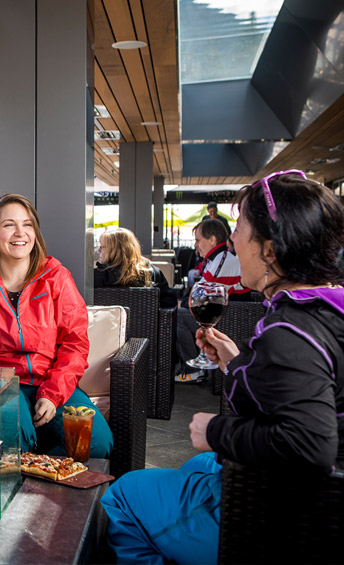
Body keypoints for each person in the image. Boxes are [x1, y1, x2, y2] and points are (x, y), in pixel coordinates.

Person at [101, 170, 344, 564]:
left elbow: (311, 446)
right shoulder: (328, 306)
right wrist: (238, 362)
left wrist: (216, 429)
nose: (232, 240)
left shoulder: (292, 332)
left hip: (275, 513)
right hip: (304, 503)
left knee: (123, 494)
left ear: (270, 250)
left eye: (241, 228)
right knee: (197, 463)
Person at [0, 193, 113, 458]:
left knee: (96, 444)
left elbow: (75, 344)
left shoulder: (56, 277)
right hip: (1, 383)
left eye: (27, 224)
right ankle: (25, 490)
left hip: (53, 381)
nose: (20, 233)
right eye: (8, 224)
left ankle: (46, 481)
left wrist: (52, 393)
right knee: (15, 443)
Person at [175, 218, 249, 382]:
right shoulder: (218, 259)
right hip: (226, 317)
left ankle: (194, 370)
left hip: (226, 321)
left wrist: (180, 303)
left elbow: (200, 297)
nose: (195, 245)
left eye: (198, 240)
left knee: (177, 315)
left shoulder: (224, 261)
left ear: (213, 240)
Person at [94, 228, 177, 308]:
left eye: (102, 247)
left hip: (108, 322)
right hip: (146, 321)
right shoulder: (151, 272)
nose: (98, 251)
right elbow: (170, 303)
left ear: (114, 251)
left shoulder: (97, 276)